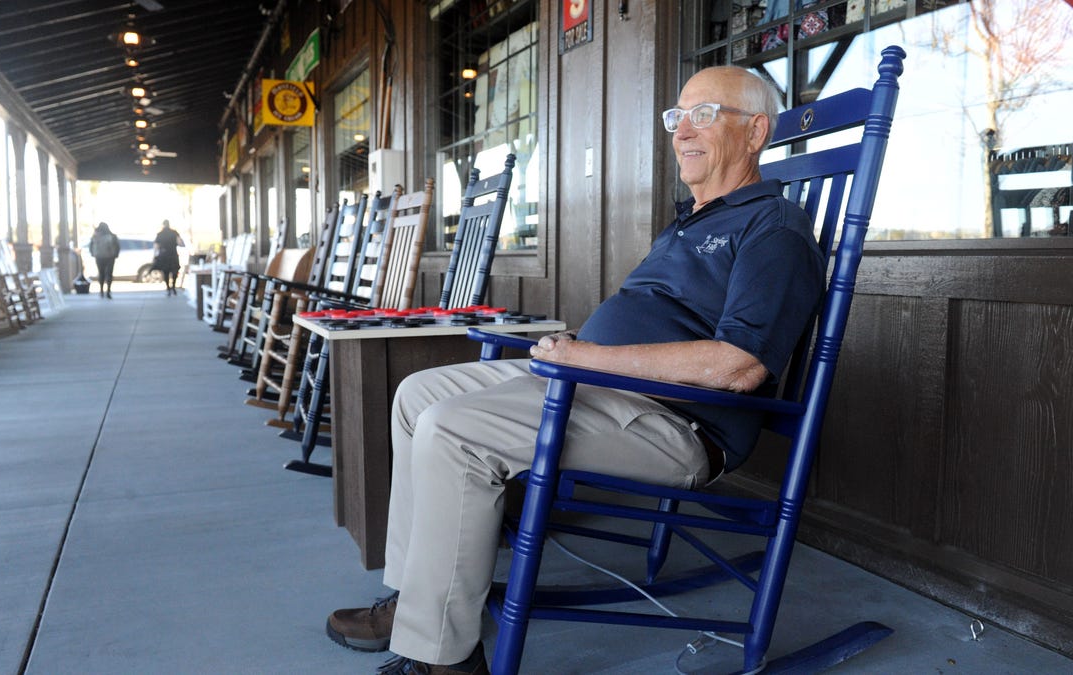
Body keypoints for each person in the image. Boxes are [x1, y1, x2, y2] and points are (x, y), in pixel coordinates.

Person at [325, 66, 826, 675]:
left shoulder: (773, 228)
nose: (681, 131)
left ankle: (445, 658)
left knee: (452, 430)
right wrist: (582, 354)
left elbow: (738, 366)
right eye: (676, 116)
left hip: (672, 424)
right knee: (416, 393)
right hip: (596, 387)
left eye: (703, 114)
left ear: (755, 132)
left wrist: (589, 357)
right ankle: (417, 602)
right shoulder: (692, 221)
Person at [88, 222, 120, 299]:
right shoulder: (112, 236)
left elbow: (91, 246)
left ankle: (101, 290)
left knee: (101, 273)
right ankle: (108, 290)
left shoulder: (95, 236)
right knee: (109, 274)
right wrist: (115, 255)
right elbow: (117, 246)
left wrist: (93, 254)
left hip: (99, 257)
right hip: (110, 257)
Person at [152, 219, 184, 295]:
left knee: (165, 271)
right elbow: (180, 242)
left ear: (163, 225)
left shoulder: (160, 234)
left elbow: (156, 246)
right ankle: (173, 286)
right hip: (173, 254)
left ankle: (168, 288)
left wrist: (154, 256)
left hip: (163, 254)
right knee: (175, 271)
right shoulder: (174, 232)